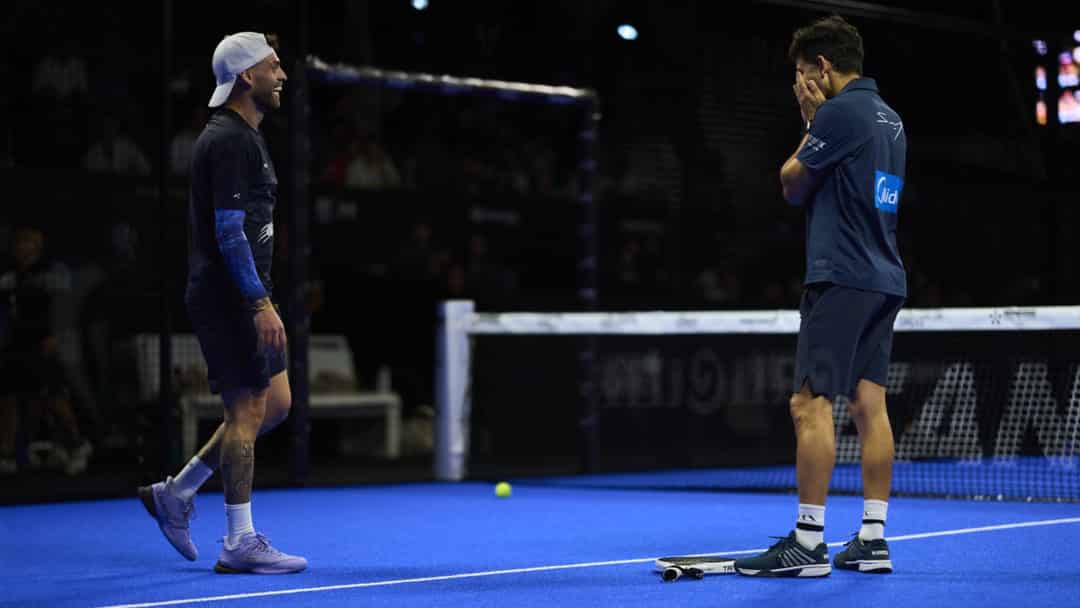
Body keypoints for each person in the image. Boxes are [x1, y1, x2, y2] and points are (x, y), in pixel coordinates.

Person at [733, 15, 907, 577]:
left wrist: (809, 121)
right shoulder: (891, 118)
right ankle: (873, 539)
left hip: (842, 276)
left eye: (803, 72)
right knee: (869, 404)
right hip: (884, 276)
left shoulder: (839, 112)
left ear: (823, 67)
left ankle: (808, 543)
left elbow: (790, 183)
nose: (801, 82)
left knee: (810, 404)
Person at [138, 32, 306, 574]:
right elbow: (230, 233)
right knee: (246, 411)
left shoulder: (246, 137)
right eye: (273, 67)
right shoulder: (230, 140)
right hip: (229, 296)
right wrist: (259, 303)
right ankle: (239, 540)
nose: (282, 76)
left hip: (246, 291)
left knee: (275, 405)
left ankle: (177, 492)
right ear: (245, 77)